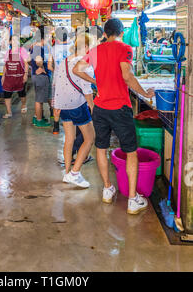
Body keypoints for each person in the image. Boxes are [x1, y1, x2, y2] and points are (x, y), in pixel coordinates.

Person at [73, 18, 155, 214]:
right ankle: (133, 200)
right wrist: (145, 93)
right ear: (121, 32)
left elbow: (77, 69)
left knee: (101, 148)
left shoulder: (95, 51)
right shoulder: (125, 48)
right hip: (120, 107)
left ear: (105, 33)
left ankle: (108, 189)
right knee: (131, 152)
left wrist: (95, 81)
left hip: (100, 108)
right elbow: (127, 75)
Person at [54, 33, 95, 188]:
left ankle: (67, 173)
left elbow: (56, 83)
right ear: (84, 47)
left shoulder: (64, 61)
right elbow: (87, 89)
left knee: (69, 139)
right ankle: (74, 173)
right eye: (90, 48)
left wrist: (56, 105)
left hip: (63, 106)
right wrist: (92, 106)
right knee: (90, 138)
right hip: (78, 106)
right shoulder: (84, 64)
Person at [71, 25, 104, 164]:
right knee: (85, 128)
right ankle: (78, 155)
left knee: (79, 127)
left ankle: (76, 154)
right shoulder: (88, 55)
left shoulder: (79, 53)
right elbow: (84, 80)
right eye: (100, 39)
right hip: (84, 96)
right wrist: (91, 103)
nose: (100, 42)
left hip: (75, 97)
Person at [48, 26, 71, 135]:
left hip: (57, 81)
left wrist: (56, 71)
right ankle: (70, 126)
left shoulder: (53, 49)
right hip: (71, 80)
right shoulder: (72, 48)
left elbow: (49, 66)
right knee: (71, 102)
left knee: (57, 103)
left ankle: (56, 128)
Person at [1, 35, 29, 119]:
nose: (14, 41)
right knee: (7, 94)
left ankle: (23, 104)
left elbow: (26, 63)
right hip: (9, 77)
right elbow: (5, 65)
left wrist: (26, 74)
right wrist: (3, 76)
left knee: (22, 94)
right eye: (13, 40)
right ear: (10, 42)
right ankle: (9, 112)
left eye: (16, 40)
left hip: (19, 76)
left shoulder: (21, 51)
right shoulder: (8, 52)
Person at [29, 26, 51, 128]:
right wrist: (41, 67)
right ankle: (39, 120)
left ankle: (36, 116)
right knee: (39, 100)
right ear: (43, 38)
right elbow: (38, 60)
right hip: (40, 77)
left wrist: (33, 67)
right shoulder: (38, 47)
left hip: (36, 75)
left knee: (39, 98)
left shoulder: (34, 46)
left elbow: (28, 59)